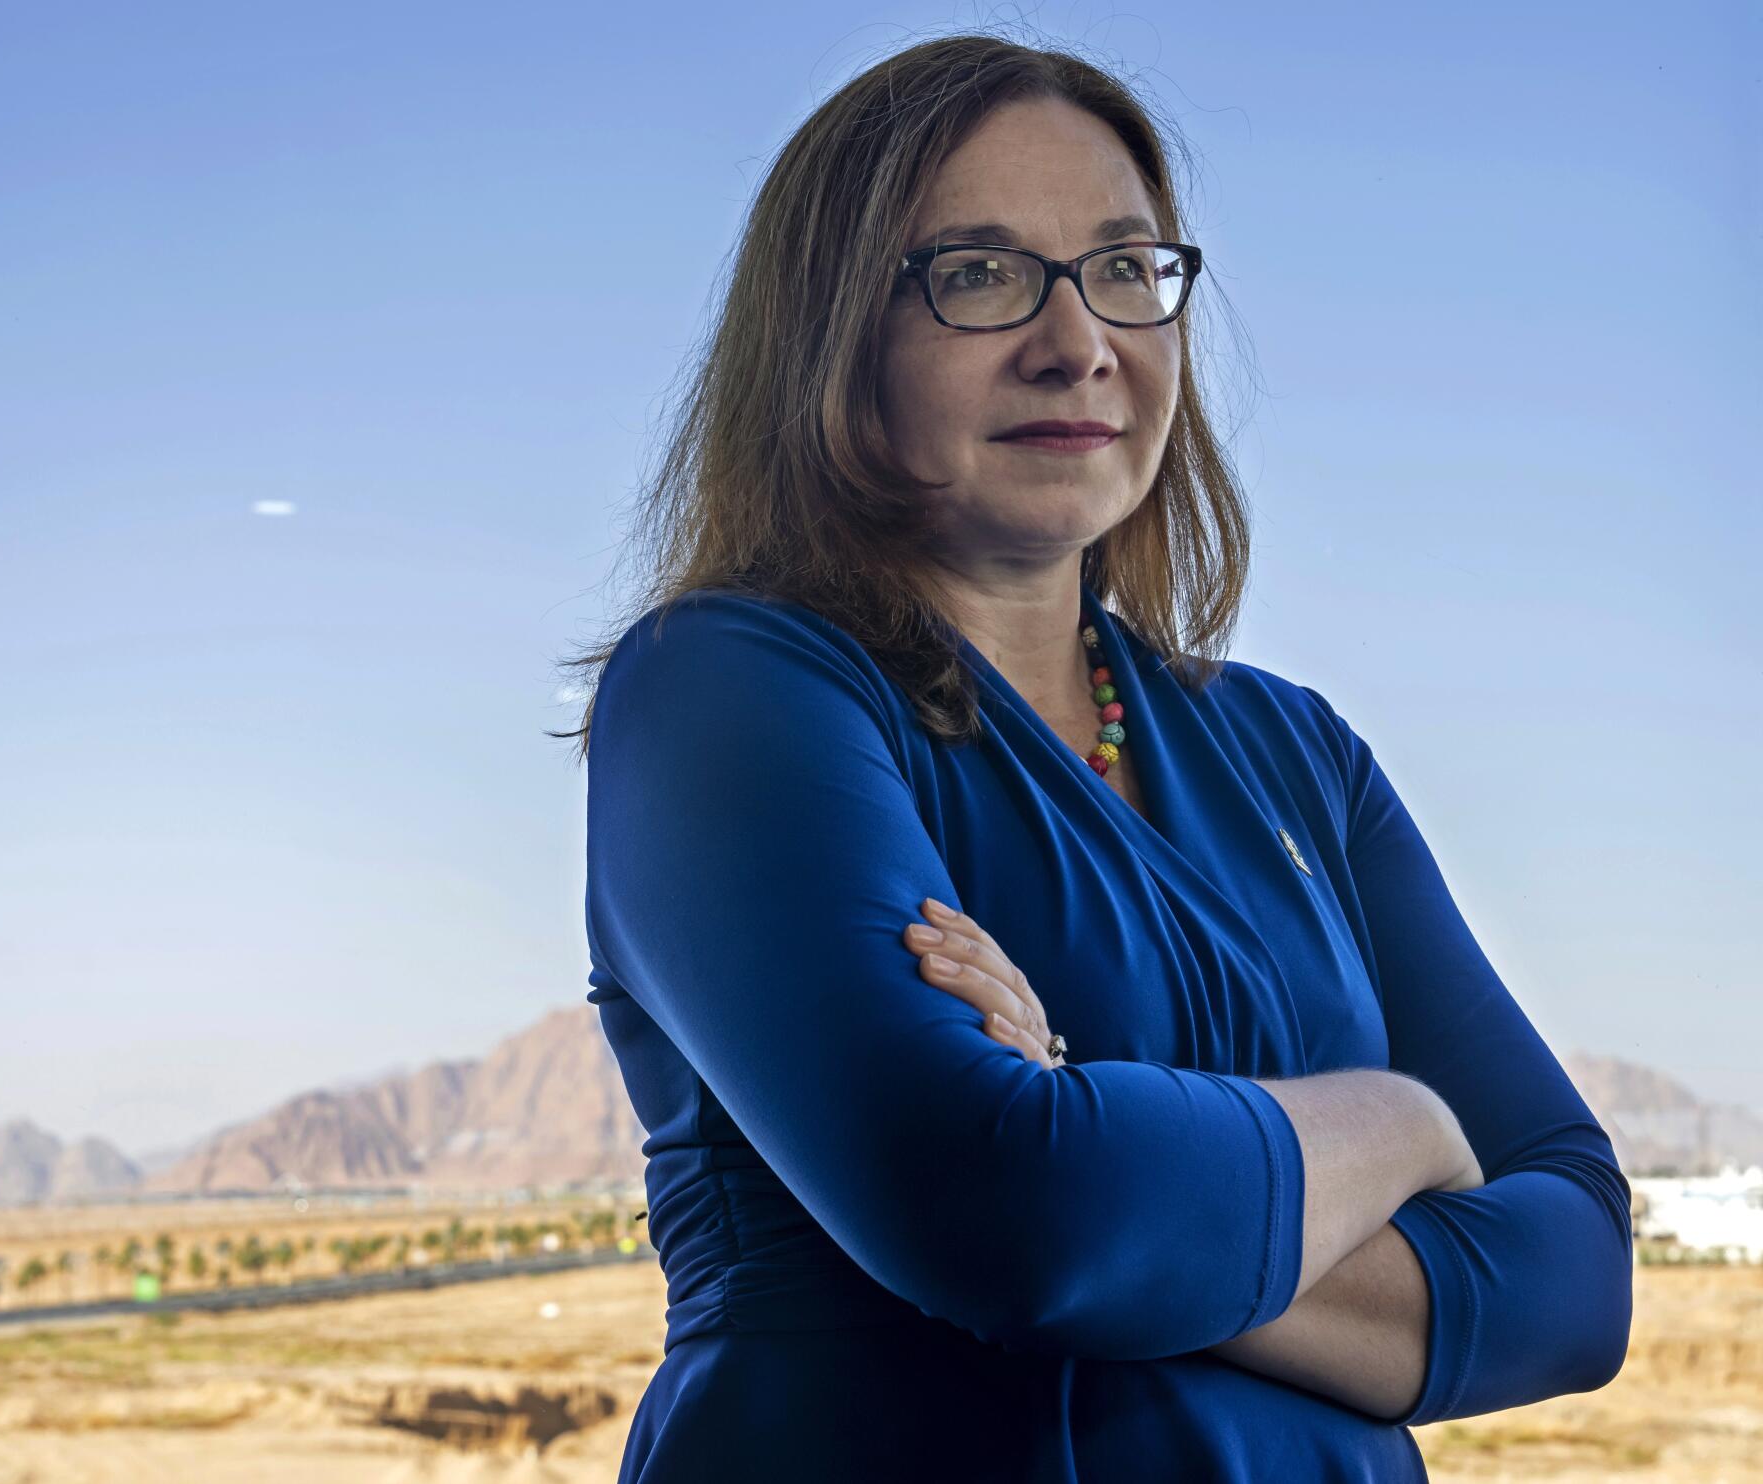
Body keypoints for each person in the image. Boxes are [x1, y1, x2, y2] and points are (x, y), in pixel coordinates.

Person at [553, 32, 1632, 1482]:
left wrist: (1104, 1141)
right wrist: (1404, 1120)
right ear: (829, 337)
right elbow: (1019, 1223)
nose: (1080, 343)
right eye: (981, 275)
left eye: (1127, 270)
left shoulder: (1296, 751)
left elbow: (1576, 1282)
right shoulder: (729, 689)